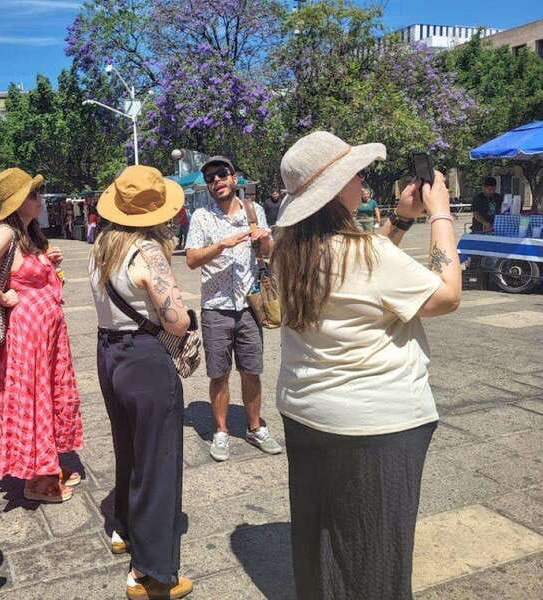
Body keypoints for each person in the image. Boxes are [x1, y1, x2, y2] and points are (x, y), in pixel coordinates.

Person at [272, 131, 461, 600]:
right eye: (357, 175)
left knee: (321, 542)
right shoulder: (366, 255)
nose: (364, 183)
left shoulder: (289, 250)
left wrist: (400, 218)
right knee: (376, 553)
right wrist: (440, 212)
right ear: (338, 189)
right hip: (375, 425)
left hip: (306, 411)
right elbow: (446, 294)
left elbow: (360, 261)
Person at [89, 165, 193, 600]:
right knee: (158, 461)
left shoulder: (102, 247)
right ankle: (149, 572)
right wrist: (180, 311)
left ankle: (124, 529)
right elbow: (177, 319)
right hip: (146, 361)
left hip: (109, 353)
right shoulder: (147, 252)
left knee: (128, 447)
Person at [0, 167, 83, 503]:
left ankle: (45, 465)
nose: (40, 199)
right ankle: (36, 481)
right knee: (34, 398)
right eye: (34, 194)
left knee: (45, 396)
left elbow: (23, 270)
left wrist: (46, 260)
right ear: (20, 202)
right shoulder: (5, 231)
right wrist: (2, 298)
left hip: (44, 331)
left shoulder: (27, 233)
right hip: (27, 333)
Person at [185, 156, 281, 462]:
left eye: (222, 175)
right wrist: (221, 245)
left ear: (234, 178)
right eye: (211, 178)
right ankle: (222, 431)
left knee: (252, 370)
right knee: (219, 373)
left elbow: (268, 253)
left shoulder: (255, 211)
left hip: (250, 303)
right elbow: (191, 259)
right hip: (216, 306)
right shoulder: (201, 216)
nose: (217, 181)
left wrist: (264, 239)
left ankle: (255, 427)